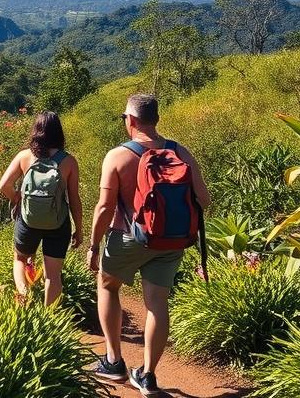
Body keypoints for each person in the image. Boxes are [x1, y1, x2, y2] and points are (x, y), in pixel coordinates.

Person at [87, 94, 211, 397]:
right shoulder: (179, 151)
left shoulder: (117, 156)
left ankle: (114, 361)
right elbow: (204, 200)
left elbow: (104, 208)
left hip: (127, 237)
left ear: (130, 120)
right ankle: (147, 375)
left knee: (107, 285)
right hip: (171, 240)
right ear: (155, 119)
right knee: (157, 303)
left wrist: (93, 246)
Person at [0, 111, 83, 306]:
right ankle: (49, 321)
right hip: (57, 222)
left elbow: (4, 184)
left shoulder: (25, 156)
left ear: (36, 131)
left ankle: (24, 298)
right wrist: (79, 228)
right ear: (58, 133)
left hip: (28, 220)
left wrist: (17, 198)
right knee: (53, 275)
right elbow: (74, 199)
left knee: (20, 260)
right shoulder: (69, 162)